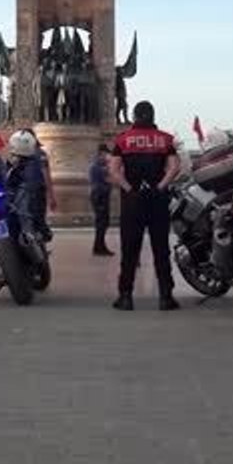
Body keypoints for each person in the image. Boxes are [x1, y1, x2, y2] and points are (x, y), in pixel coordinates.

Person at [110, 100, 181, 312]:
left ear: (134, 116)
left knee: (130, 250)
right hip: (157, 200)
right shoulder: (165, 139)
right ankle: (166, 297)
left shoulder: (123, 140)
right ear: (152, 115)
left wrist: (128, 188)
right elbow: (174, 168)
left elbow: (114, 170)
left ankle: (125, 297)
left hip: (132, 201)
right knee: (161, 249)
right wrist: (160, 186)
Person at [5, 129, 53, 244]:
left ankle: (39, 235)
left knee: (35, 216)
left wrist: (50, 194)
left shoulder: (37, 157)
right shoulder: (13, 159)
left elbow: (44, 177)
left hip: (29, 195)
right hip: (16, 197)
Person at [88, 144, 115, 256]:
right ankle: (99, 247)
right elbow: (110, 179)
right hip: (100, 195)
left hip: (99, 195)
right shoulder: (99, 166)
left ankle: (99, 246)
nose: (108, 156)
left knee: (102, 222)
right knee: (102, 223)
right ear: (101, 154)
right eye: (106, 154)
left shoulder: (97, 165)